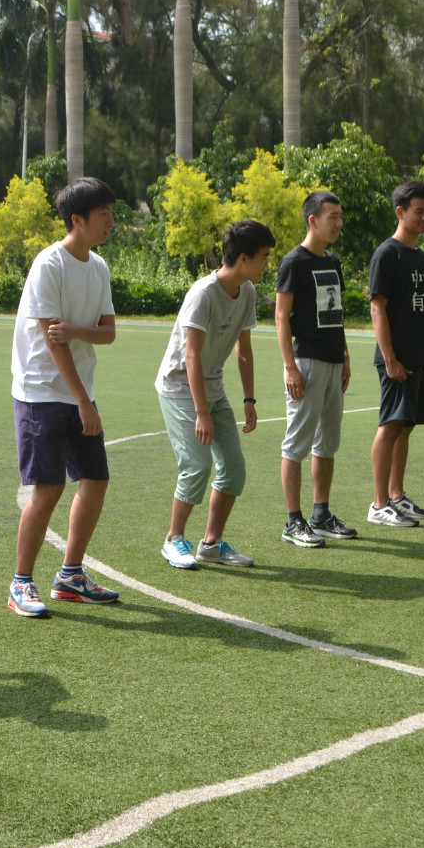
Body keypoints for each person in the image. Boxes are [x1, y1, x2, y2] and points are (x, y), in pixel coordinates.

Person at [8, 177, 120, 617]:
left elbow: (108, 333)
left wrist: (76, 331)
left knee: (95, 479)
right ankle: (21, 583)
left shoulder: (98, 267)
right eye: (103, 214)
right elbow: (52, 343)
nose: (111, 221)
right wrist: (83, 400)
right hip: (40, 391)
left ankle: (70, 576)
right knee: (49, 487)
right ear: (78, 219)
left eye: (111, 212)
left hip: (78, 393)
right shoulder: (49, 264)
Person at [155, 220, 274, 570]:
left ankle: (210, 544)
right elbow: (191, 355)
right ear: (243, 258)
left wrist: (249, 400)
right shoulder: (203, 293)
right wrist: (202, 413)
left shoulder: (247, 291)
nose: (268, 264)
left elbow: (244, 350)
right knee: (197, 465)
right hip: (180, 388)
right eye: (264, 256)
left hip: (213, 388)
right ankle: (173, 539)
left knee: (233, 467)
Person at [275, 191, 358, 548]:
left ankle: (320, 515)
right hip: (306, 361)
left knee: (327, 444)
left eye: (340, 216)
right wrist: (290, 366)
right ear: (313, 220)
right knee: (297, 443)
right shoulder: (293, 262)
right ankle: (293, 522)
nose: (339, 223)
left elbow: (336, 313)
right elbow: (281, 316)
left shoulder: (333, 261)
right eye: (332, 216)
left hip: (333, 360)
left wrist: (345, 355)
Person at [368, 180, 424, 529]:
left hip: (418, 358)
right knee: (391, 425)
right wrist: (390, 358)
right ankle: (379, 504)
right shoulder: (387, 254)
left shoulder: (422, 257)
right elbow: (377, 308)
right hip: (395, 359)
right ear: (401, 212)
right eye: (418, 211)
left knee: (406, 426)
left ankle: (396, 496)